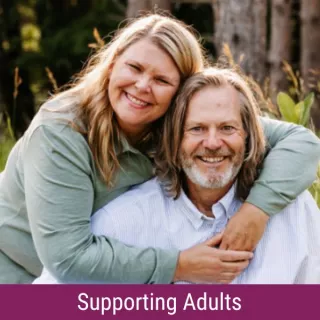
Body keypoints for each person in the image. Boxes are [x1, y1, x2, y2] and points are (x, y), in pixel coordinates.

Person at [0, 14, 320, 284]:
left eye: (161, 80)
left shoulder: (177, 121)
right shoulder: (60, 133)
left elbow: (301, 142)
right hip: (16, 269)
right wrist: (180, 266)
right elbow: (67, 260)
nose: (142, 87)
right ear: (112, 65)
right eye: (134, 68)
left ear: (180, 95)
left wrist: (256, 211)